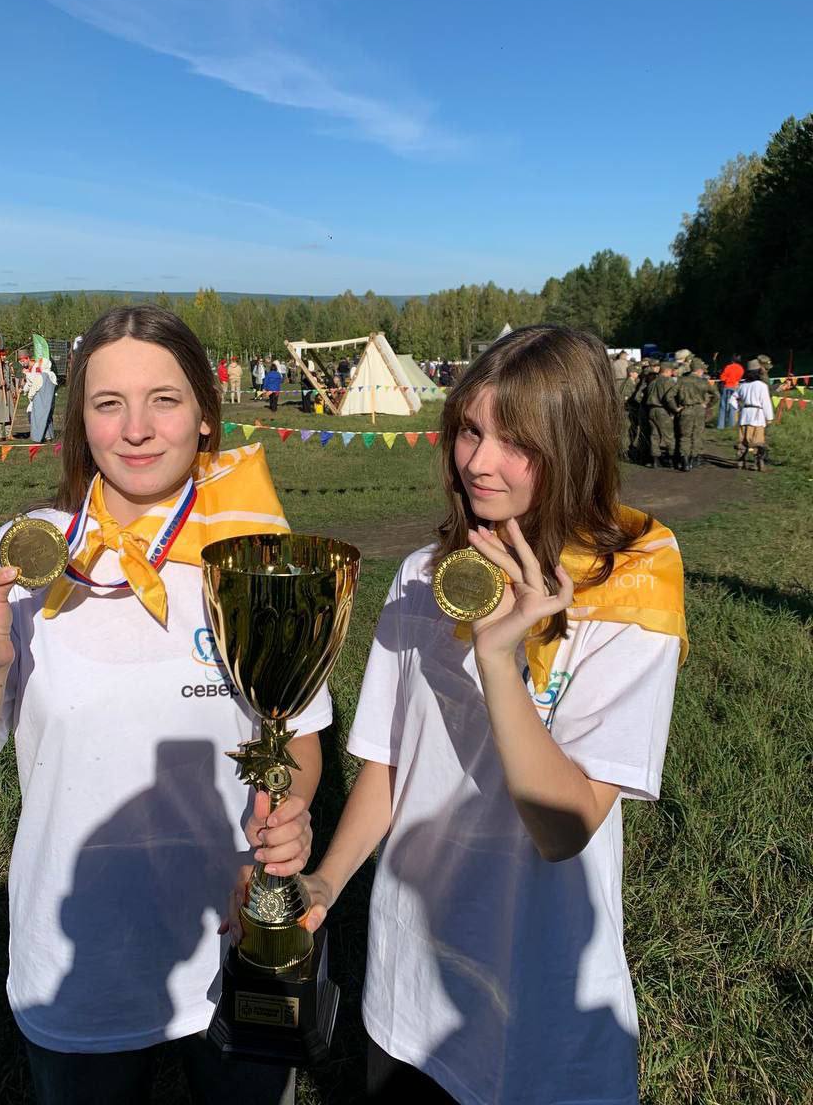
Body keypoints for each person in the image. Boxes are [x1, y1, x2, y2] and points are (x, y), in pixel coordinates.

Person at [0, 306, 325, 1105]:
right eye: (109, 404)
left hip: (240, 952)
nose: (136, 429)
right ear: (81, 422)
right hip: (80, 974)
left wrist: (296, 807)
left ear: (206, 414)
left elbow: (296, 738)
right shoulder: (20, 558)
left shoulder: (256, 554)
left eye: (164, 400)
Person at [292, 324, 686, 1105]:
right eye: (470, 429)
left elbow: (565, 825)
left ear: (575, 446)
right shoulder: (421, 577)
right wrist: (326, 884)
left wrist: (499, 658)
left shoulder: (631, 596)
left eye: (517, 442)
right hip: (410, 985)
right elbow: (390, 763)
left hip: (540, 998)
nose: (478, 460)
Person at [673, 358, 717, 470]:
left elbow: (669, 396)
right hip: (699, 410)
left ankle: (685, 461)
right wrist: (707, 405)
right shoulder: (704, 382)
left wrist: (675, 407)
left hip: (685, 409)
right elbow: (716, 395)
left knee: (685, 436)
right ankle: (694, 459)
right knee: (697, 435)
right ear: (699, 370)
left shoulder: (681, 380)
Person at [731, 359, 775, 470]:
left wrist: (738, 409)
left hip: (745, 415)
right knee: (758, 441)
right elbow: (766, 402)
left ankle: (741, 462)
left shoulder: (743, 385)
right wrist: (769, 417)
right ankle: (758, 464)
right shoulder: (761, 386)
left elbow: (732, 399)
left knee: (743, 440)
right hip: (757, 416)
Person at [644, 359, 680, 467]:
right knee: (669, 436)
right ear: (668, 371)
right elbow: (669, 398)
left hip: (651, 410)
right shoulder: (668, 382)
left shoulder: (652, 382)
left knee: (654, 436)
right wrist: (675, 409)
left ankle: (655, 460)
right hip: (662, 410)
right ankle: (672, 460)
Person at [616, 363, 640, 460]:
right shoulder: (627, 384)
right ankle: (624, 452)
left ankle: (628, 450)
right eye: (636, 372)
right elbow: (625, 399)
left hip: (632, 411)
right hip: (627, 411)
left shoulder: (633, 382)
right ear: (631, 373)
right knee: (626, 432)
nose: (637, 374)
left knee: (632, 431)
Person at [716, 354, 744, 429]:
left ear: (732, 360)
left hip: (727, 386)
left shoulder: (728, 367)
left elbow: (722, 377)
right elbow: (739, 378)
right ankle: (731, 425)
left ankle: (720, 425)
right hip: (735, 388)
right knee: (733, 406)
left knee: (723, 406)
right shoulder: (741, 368)